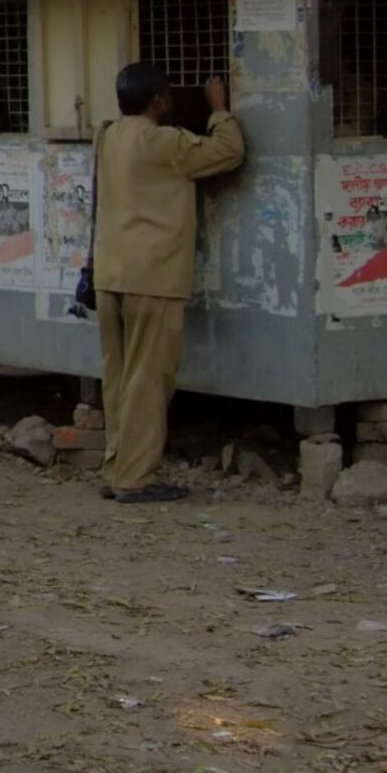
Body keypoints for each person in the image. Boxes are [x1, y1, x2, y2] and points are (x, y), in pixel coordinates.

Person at [92, 62, 244, 503]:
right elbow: (229, 150)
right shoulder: (165, 143)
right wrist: (218, 109)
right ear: (158, 101)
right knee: (148, 380)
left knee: (118, 377)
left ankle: (117, 466)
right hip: (152, 276)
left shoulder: (108, 136)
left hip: (111, 273)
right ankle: (134, 479)